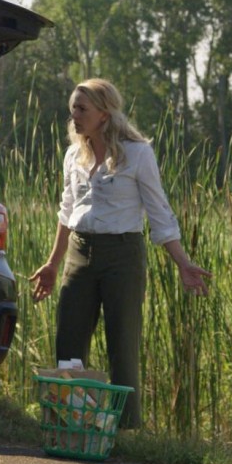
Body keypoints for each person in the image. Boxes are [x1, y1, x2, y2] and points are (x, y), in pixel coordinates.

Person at [28, 78, 211, 429]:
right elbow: (67, 211)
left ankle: (127, 428)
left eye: (82, 109)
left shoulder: (138, 153)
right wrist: (52, 263)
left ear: (104, 113)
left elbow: (160, 214)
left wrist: (184, 264)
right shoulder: (73, 155)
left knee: (122, 344)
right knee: (68, 340)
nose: (74, 116)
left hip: (123, 255)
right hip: (79, 254)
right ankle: (68, 422)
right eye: (73, 109)